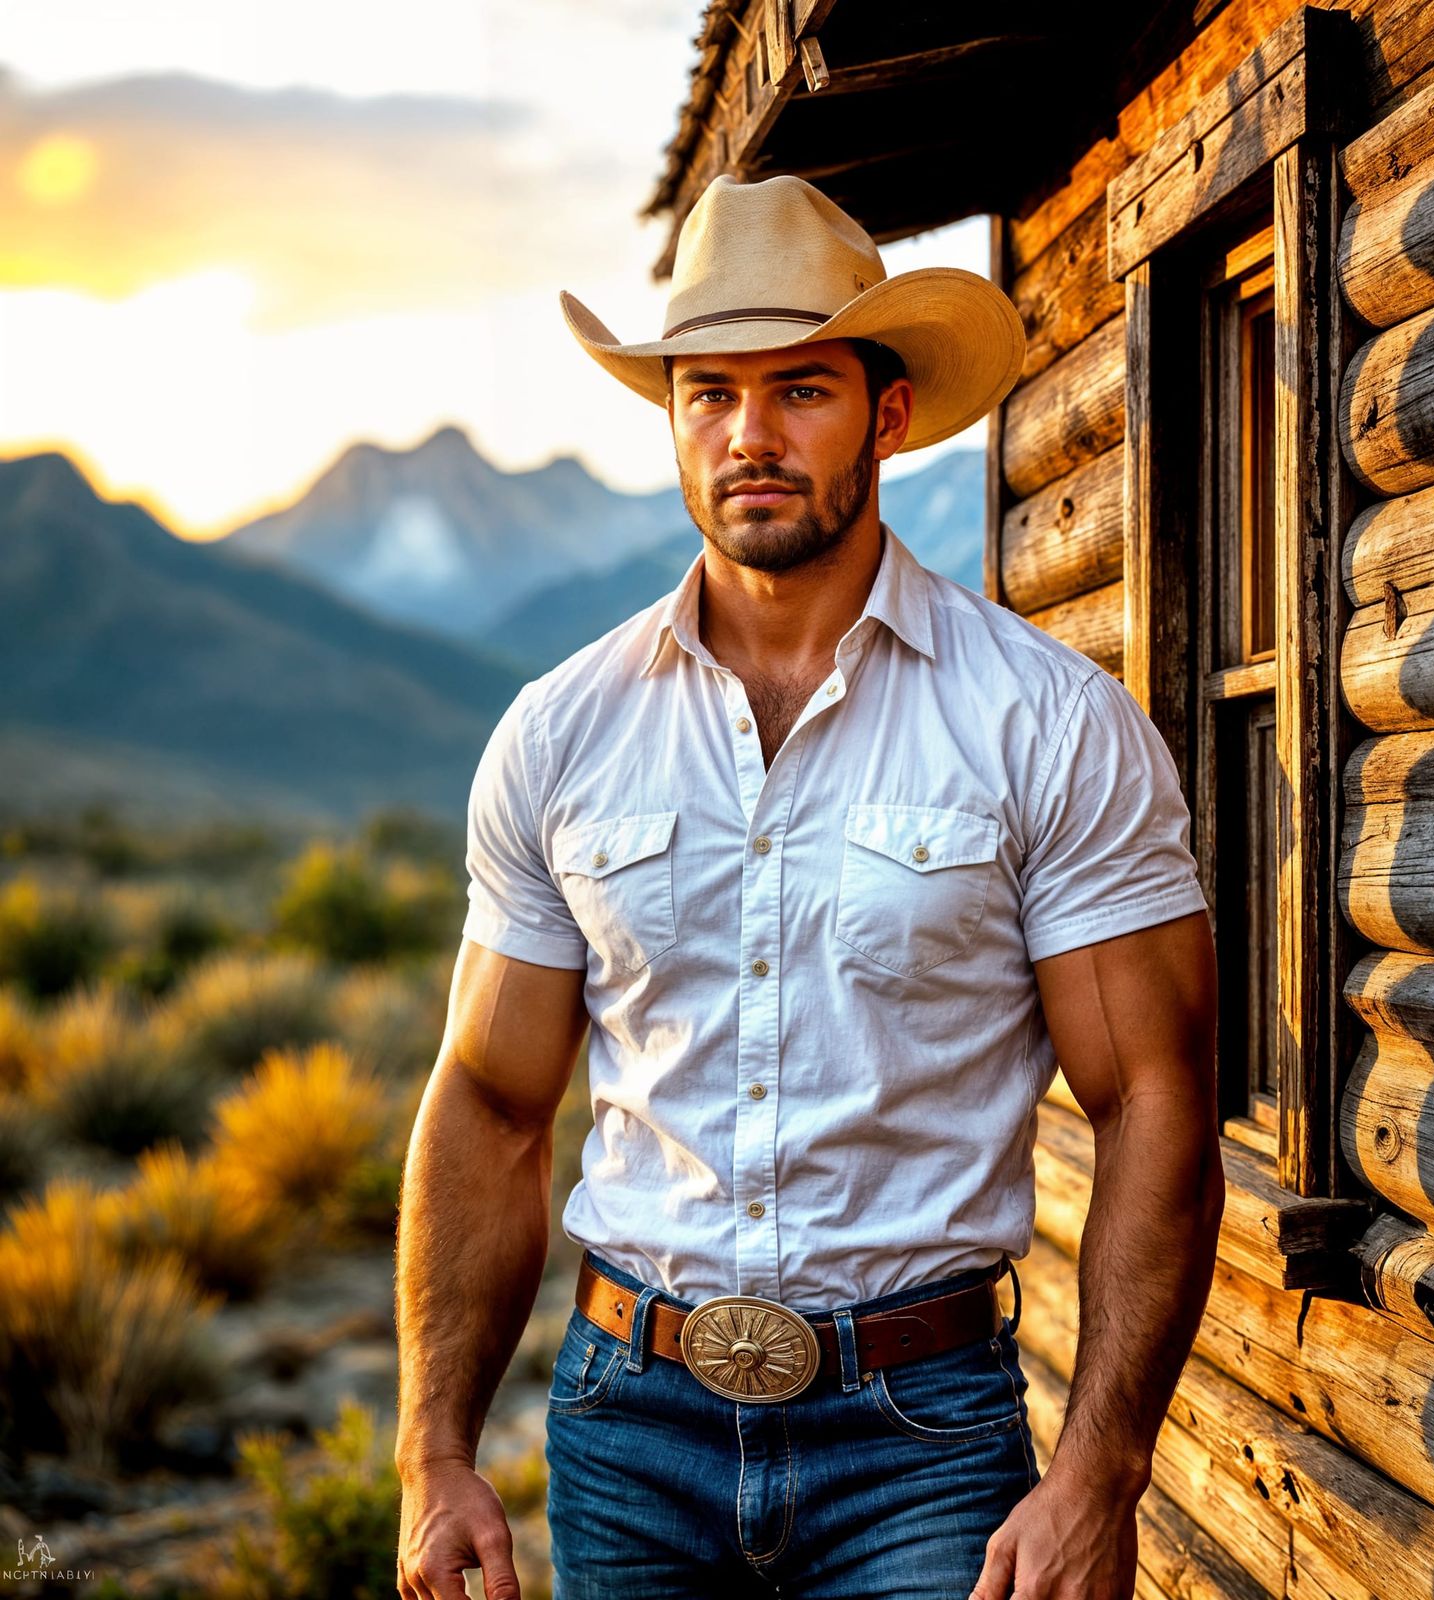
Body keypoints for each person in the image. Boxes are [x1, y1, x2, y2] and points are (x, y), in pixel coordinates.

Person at [394, 173, 1224, 1600]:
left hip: (917, 1440)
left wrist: (1101, 1470)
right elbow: (487, 1096)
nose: (750, 437)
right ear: (670, 417)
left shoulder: (1045, 723)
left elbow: (1157, 1093)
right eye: (709, 393)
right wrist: (435, 1453)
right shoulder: (562, 732)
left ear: (887, 413)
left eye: (801, 391)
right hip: (628, 1426)